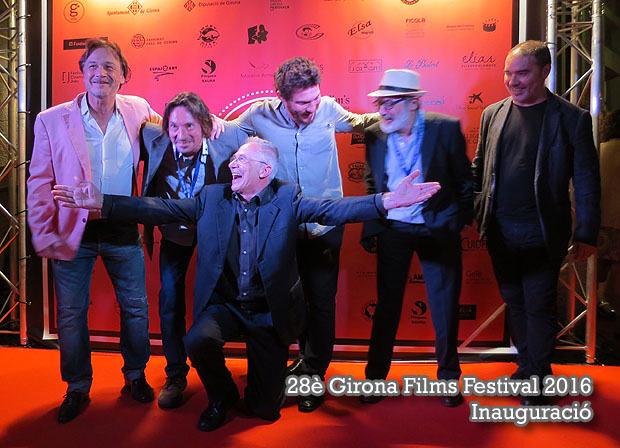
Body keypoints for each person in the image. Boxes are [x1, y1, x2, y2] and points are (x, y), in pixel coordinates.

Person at [52, 137, 441, 431]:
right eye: (234, 158)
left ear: (265, 171)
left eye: (241, 159)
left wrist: (387, 201)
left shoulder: (287, 198)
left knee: (265, 410)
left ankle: (262, 389)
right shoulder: (212, 197)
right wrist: (104, 202)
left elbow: (331, 209)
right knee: (197, 340)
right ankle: (221, 396)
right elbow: (162, 208)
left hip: (269, 311)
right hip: (225, 305)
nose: (232, 163)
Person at [220, 56, 379, 412]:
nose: (312, 108)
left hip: (325, 227)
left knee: (321, 304)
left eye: (315, 99)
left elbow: (361, 123)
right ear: (282, 97)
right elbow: (225, 132)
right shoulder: (258, 115)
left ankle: (313, 376)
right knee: (288, 303)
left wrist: (392, 113)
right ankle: (292, 365)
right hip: (282, 229)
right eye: (303, 103)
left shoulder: (329, 109)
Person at [26, 38, 161, 423]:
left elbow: (175, 127)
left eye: (109, 67)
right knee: (71, 314)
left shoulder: (139, 109)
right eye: (92, 66)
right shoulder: (51, 119)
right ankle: (77, 386)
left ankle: (135, 375)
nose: (100, 73)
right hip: (73, 230)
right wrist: (44, 231)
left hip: (123, 226)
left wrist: (210, 125)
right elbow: (39, 181)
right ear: (83, 73)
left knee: (136, 308)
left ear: (123, 75)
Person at [472, 40, 601, 405]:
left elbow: (587, 180)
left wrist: (587, 232)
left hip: (543, 232)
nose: (513, 81)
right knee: (514, 303)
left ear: (545, 72)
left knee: (539, 305)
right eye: (508, 73)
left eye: (522, 73)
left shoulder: (572, 118)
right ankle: (528, 366)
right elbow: (479, 169)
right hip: (499, 229)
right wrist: (467, 212)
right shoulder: (492, 114)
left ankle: (540, 377)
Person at [359, 69, 472, 407]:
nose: (383, 110)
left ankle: (449, 380)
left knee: (445, 307)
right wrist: (373, 226)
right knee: (386, 306)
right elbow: (372, 182)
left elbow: (464, 180)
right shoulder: (374, 135)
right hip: (394, 230)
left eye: (391, 103)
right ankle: (374, 379)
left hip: (437, 229)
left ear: (414, 103)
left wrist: (459, 221)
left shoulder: (445, 128)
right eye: (380, 103)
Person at [141, 92, 247, 409]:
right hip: (174, 233)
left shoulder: (228, 137)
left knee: (224, 298)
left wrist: (218, 121)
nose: (180, 134)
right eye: (174, 126)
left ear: (204, 124)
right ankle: (175, 374)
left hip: (216, 233)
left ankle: (220, 370)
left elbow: (259, 136)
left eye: (190, 125)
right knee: (170, 301)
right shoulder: (152, 136)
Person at [597, 110, 620, 322]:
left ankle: (593, 304)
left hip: (598, 219)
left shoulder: (599, 149)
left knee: (598, 267)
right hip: (618, 220)